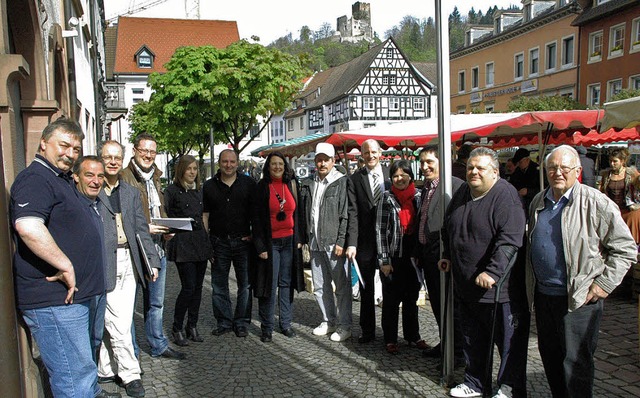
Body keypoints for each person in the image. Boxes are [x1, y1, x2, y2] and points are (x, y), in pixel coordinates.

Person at [10, 119, 119, 398]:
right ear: (44, 143)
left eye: (76, 148)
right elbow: (28, 225)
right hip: (54, 299)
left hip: (73, 298)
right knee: (73, 378)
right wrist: (65, 263)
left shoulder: (59, 178)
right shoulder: (35, 178)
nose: (71, 153)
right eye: (64, 145)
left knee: (81, 371)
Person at [527, 145, 636, 398]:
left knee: (575, 364)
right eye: (552, 168)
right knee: (551, 357)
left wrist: (603, 285)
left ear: (577, 170)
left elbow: (626, 248)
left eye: (564, 168)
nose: (558, 173)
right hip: (545, 296)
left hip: (579, 299)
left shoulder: (595, 201)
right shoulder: (538, 201)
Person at [440, 147, 529, 398]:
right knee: (472, 339)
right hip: (466, 285)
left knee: (508, 342)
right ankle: (476, 383)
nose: (474, 172)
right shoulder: (462, 193)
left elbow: (510, 241)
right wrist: (447, 255)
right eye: (470, 167)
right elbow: (449, 227)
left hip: (499, 290)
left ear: (495, 171)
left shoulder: (506, 196)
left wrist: (492, 271)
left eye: (480, 168)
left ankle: (510, 386)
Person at [96, 141, 160, 397]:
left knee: (116, 319)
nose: (112, 161)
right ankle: (130, 373)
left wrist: (151, 261)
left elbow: (141, 230)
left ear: (122, 159)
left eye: (116, 157)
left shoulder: (131, 192)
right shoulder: (91, 188)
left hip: (127, 261)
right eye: (107, 157)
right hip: (102, 261)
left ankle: (106, 368)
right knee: (116, 321)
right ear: (100, 158)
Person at [120, 133, 186, 360]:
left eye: (152, 151)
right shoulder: (124, 177)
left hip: (158, 248)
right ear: (134, 150)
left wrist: (167, 229)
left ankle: (158, 344)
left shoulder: (156, 177)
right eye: (144, 150)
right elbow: (122, 215)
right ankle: (131, 352)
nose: (148, 155)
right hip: (135, 250)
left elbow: (158, 210)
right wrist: (144, 227)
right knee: (129, 305)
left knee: (156, 302)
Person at [416, 146, 465, 362]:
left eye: (429, 162)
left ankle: (457, 352)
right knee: (436, 302)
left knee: (449, 304)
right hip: (428, 254)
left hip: (444, 253)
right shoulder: (427, 187)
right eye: (422, 162)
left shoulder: (454, 186)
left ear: (441, 162)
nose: (425, 167)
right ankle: (445, 343)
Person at [375, 160, 429, 354]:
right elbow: (380, 230)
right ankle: (390, 338)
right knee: (391, 299)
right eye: (395, 176)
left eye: (403, 175)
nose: (399, 179)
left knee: (411, 297)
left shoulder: (419, 196)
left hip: (413, 256)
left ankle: (412, 336)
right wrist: (384, 260)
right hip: (394, 255)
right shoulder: (386, 197)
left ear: (410, 176)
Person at [299, 143, 352, 342]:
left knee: (342, 286)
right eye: (319, 159)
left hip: (333, 242)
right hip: (315, 241)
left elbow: (345, 215)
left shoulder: (341, 182)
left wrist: (341, 241)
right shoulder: (309, 182)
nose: (322, 163)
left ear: (333, 161)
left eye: (326, 159)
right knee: (320, 285)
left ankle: (345, 325)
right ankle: (328, 320)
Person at [203, 149, 257, 338]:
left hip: (243, 242)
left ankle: (241, 322)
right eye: (225, 161)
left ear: (237, 162)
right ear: (219, 163)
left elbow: (256, 212)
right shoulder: (209, 186)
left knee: (246, 285)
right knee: (219, 285)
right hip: (219, 241)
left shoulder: (249, 184)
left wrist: (253, 234)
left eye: (232, 162)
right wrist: (207, 240)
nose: (228, 165)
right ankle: (224, 321)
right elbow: (205, 215)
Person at [253, 152, 305, 343]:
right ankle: (267, 327)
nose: (277, 167)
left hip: (289, 241)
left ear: (285, 166)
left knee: (286, 284)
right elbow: (256, 219)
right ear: (268, 167)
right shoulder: (262, 187)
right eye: (273, 164)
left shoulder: (291, 184)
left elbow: (299, 212)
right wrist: (260, 246)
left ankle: (286, 323)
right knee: (270, 284)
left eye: (280, 164)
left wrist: (299, 238)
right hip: (270, 243)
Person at [164, 155, 214, 345]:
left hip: (200, 243)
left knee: (198, 288)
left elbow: (203, 219)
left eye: (195, 168)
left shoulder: (199, 192)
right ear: (181, 170)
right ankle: (177, 327)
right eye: (189, 168)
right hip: (183, 245)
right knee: (188, 287)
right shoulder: (171, 191)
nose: (192, 172)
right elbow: (165, 216)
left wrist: (208, 247)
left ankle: (192, 325)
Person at [346, 139, 391, 344]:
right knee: (366, 289)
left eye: (374, 152)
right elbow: (353, 213)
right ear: (361, 155)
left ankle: (390, 333)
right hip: (364, 241)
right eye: (366, 153)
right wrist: (352, 243)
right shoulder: (355, 179)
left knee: (389, 288)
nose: (370, 156)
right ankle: (367, 330)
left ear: (380, 153)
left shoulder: (392, 174)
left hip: (388, 241)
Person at [599, 147, 640, 243]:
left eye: (615, 161)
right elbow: (603, 193)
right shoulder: (606, 175)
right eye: (610, 161)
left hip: (628, 210)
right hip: (612, 210)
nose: (612, 164)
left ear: (622, 161)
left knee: (634, 216)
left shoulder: (632, 174)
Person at [509, 147, 541, 216]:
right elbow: (511, 184)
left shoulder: (538, 170)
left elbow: (543, 188)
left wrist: (528, 191)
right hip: (520, 205)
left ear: (527, 160)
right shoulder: (518, 171)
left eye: (520, 162)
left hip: (535, 204)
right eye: (518, 163)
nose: (519, 165)